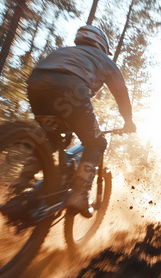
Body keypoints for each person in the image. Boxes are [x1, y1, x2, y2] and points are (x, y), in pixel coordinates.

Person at [26, 25, 136, 217]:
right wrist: (128, 120)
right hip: (70, 87)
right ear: (101, 43)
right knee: (96, 142)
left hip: (36, 84)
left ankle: (22, 180)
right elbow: (121, 91)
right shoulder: (103, 59)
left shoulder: (65, 51)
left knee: (52, 139)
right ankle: (79, 194)